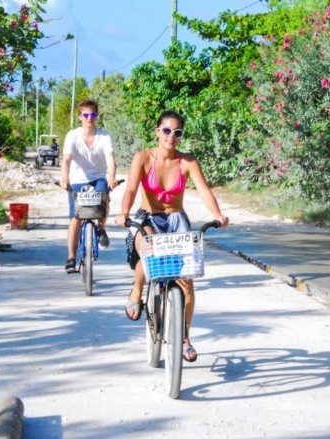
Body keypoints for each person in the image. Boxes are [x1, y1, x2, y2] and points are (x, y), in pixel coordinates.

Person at [115, 110, 229, 362]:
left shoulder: (188, 162)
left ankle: (184, 336)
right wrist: (123, 213)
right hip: (148, 218)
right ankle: (137, 291)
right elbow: (132, 189)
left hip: (177, 220)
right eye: (166, 130)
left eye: (177, 132)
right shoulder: (143, 158)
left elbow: (204, 190)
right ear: (157, 132)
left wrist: (218, 214)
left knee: (186, 279)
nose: (171, 136)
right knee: (150, 251)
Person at [60, 99, 118, 273]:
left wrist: (112, 177)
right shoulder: (72, 136)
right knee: (76, 217)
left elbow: (110, 159)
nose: (89, 118)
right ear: (80, 117)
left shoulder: (104, 136)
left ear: (96, 116)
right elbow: (66, 160)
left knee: (103, 200)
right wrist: (64, 178)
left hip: (98, 177)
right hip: (78, 179)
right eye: (86, 115)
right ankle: (71, 257)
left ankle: (100, 228)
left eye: (92, 114)